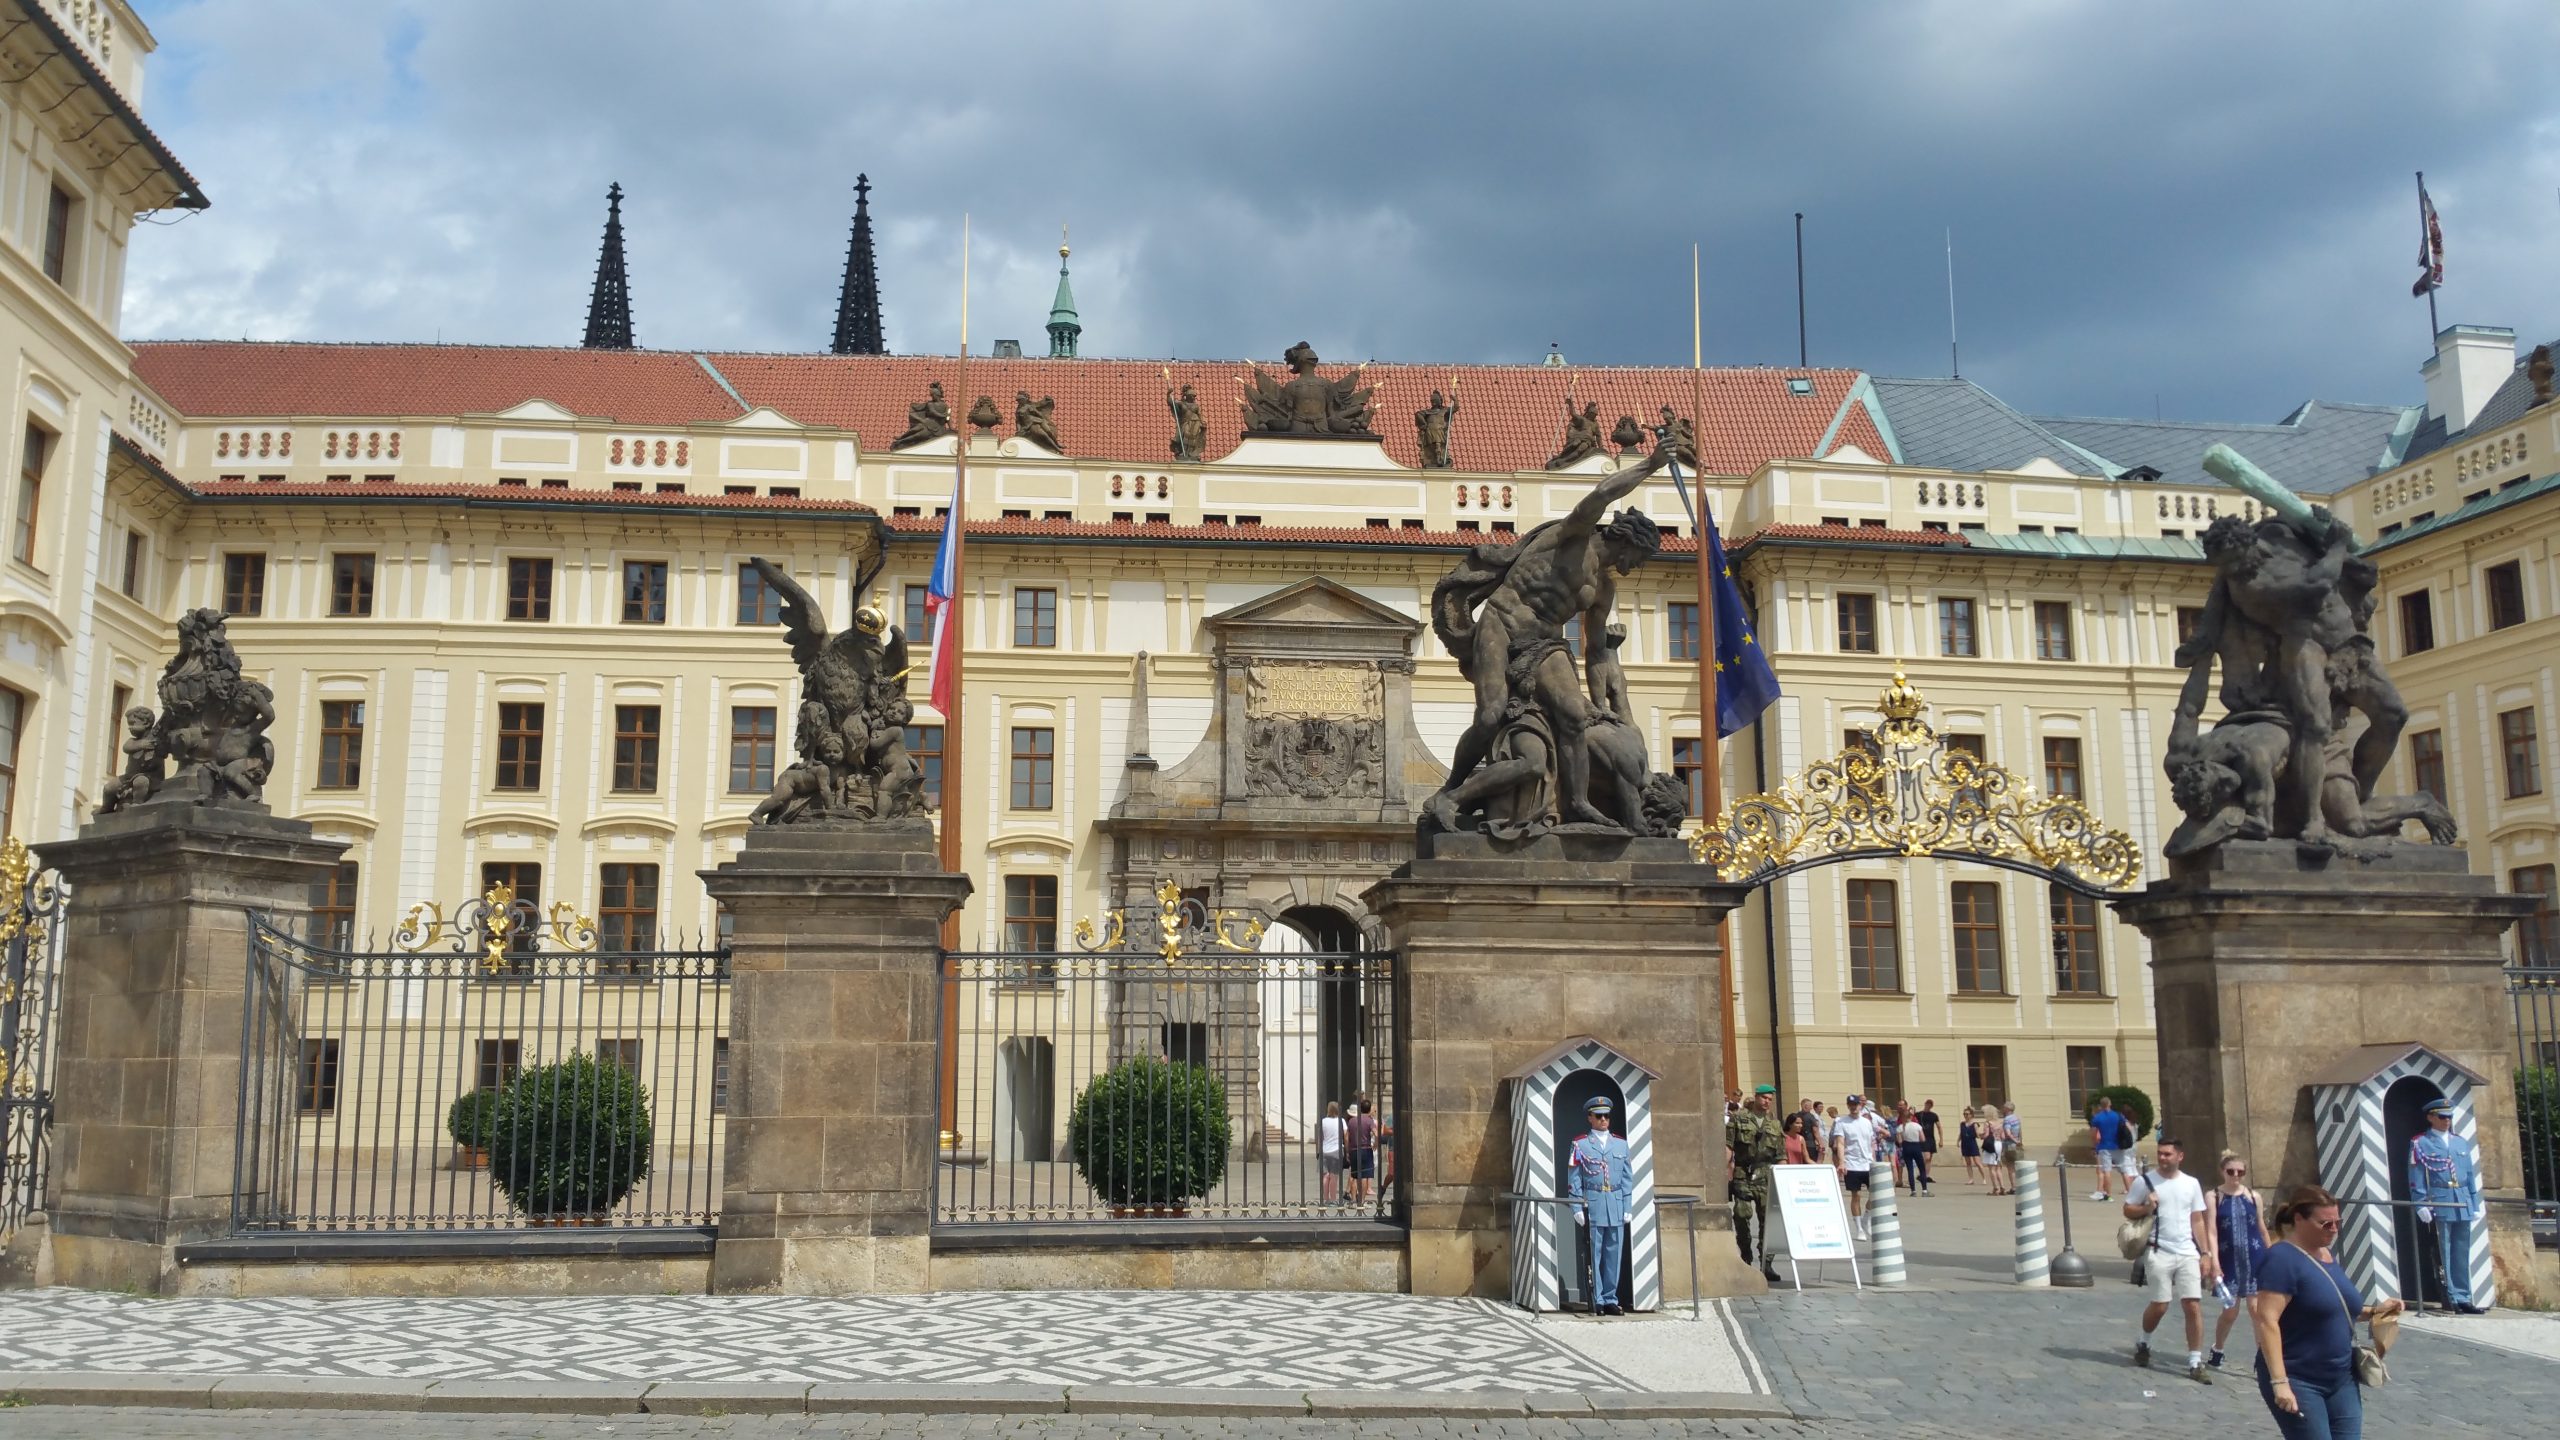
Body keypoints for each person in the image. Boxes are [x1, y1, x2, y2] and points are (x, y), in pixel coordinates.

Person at [2252, 1184, 2403, 1438]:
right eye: (2325, 1224)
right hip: (2299, 1379)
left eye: (2337, 1222)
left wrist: (2376, 1310)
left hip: (2341, 1379)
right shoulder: (2281, 1259)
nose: (2334, 1229)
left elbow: (2332, 1306)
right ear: (2299, 1219)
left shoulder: (2325, 1254)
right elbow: (2267, 1320)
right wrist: (2280, 1383)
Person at [2127, 1136, 2219, 1384]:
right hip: (2158, 1250)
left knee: (2192, 1304)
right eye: (2160, 1153)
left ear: (2180, 1156)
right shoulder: (2145, 1181)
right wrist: (2146, 1207)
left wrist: (2206, 1253)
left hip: (2187, 1251)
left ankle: (2195, 1362)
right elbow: (2128, 1209)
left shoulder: (2191, 1183)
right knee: (2160, 1305)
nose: (2162, 1158)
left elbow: (2197, 1219)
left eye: (2167, 1154)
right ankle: (2144, 1341)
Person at [2409, 1096, 2485, 1314]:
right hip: (2440, 1199)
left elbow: (2469, 1175)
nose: (2447, 1121)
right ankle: (2450, 1296)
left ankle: (2463, 1296)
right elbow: (2416, 1175)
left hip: (2462, 1199)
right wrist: (2420, 1203)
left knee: (2461, 1250)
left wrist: (2474, 1202)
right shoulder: (2420, 1143)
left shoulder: (2460, 1142)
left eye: (2449, 1117)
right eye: (2442, 1117)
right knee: (2444, 1250)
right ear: (2431, 1118)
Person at [1568, 1097, 1634, 1315]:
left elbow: (1627, 1178)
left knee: (1613, 1254)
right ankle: (1596, 1298)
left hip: (1615, 1203)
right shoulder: (1580, 1144)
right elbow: (1574, 1177)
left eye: (1606, 1115)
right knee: (1594, 1253)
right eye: (1598, 1116)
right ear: (1590, 1118)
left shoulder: (1621, 1144)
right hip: (1594, 1203)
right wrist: (1576, 1207)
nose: (1603, 1119)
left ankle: (1610, 1298)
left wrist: (1627, 1206)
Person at [2211, 1151, 2271, 1370]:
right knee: (2230, 1311)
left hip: (2255, 1257)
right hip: (2228, 1259)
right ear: (2222, 1172)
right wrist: (2214, 1261)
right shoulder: (2214, 1196)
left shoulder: (2253, 1196)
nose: (2235, 1176)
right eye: (2231, 1171)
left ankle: (2262, 1358)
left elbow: (2261, 1228)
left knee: (2257, 1310)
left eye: (2240, 1172)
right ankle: (2218, 1348)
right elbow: (2211, 1231)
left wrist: (2272, 1254)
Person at [1727, 1085, 1785, 1282]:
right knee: (1741, 1216)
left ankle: (1766, 1263)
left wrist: (1783, 1178)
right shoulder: (1738, 1119)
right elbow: (1728, 1147)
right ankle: (1746, 1258)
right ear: (1756, 1097)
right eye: (1764, 1098)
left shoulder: (1774, 1124)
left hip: (1766, 1175)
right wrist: (1724, 1171)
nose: (1767, 1102)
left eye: (1770, 1099)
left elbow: (1781, 1154)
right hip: (1743, 1173)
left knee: (1767, 1221)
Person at [1831, 1094, 1889, 1239]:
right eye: (1850, 1105)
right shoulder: (1841, 1122)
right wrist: (1842, 1162)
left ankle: (1866, 1219)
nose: (1853, 1107)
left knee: (1875, 1194)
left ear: (1860, 1105)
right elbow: (1840, 1143)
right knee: (1856, 1195)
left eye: (1855, 1104)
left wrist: (1874, 1161)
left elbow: (1870, 1143)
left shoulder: (1867, 1122)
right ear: (1848, 1106)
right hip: (1852, 1163)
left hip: (1868, 1163)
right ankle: (1859, 1229)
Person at [2089, 1095, 2136, 1202]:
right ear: (2110, 1104)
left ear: (2101, 1106)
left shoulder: (2097, 1118)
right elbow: (2127, 1128)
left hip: (2104, 1147)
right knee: (2124, 1171)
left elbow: (2093, 1134)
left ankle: (2109, 1195)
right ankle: (2131, 1194)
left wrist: (2094, 1145)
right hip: (2118, 1146)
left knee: (2107, 1171)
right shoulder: (2118, 1116)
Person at [1346, 1093, 1378, 1209]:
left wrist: (1347, 1151)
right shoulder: (1369, 1121)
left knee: (1355, 1176)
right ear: (1369, 1109)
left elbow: (1347, 1137)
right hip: (1365, 1149)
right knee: (1364, 1176)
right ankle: (1362, 1201)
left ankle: (1353, 1200)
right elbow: (1376, 1133)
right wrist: (1375, 1144)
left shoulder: (1352, 1121)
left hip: (1354, 1150)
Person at [1897, 1104, 1932, 1196]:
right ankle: (1924, 1190)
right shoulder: (1917, 1126)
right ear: (1911, 1116)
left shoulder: (1900, 1127)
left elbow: (1899, 1141)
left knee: (1910, 1169)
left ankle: (1913, 1191)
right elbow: (1923, 1139)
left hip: (1906, 1147)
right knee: (1921, 1168)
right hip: (1916, 1146)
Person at [1317, 1100, 1345, 1205]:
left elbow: (1320, 1137)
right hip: (1336, 1150)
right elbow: (1346, 1134)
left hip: (1324, 1150)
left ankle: (1325, 1198)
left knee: (1325, 1176)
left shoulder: (1323, 1121)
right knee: (1334, 1176)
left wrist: (1318, 1150)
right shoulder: (1341, 1121)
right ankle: (1333, 1199)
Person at [1957, 1105, 1984, 1186]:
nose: (1965, 1115)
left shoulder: (1974, 1124)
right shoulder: (1962, 1124)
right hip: (1964, 1144)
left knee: (1977, 1162)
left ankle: (1984, 1178)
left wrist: (1981, 1136)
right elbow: (1961, 1133)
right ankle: (1971, 1179)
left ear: (1971, 1115)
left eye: (1967, 1114)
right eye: (1964, 1114)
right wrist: (1958, 1141)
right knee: (1968, 1163)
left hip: (1972, 1143)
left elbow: (1977, 1133)